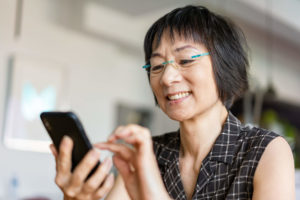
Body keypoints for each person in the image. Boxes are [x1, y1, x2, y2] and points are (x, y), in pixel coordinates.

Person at [49, 5, 295, 200]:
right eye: (156, 66)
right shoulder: (149, 154)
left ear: (225, 66)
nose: (166, 78)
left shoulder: (266, 150)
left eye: (186, 60)